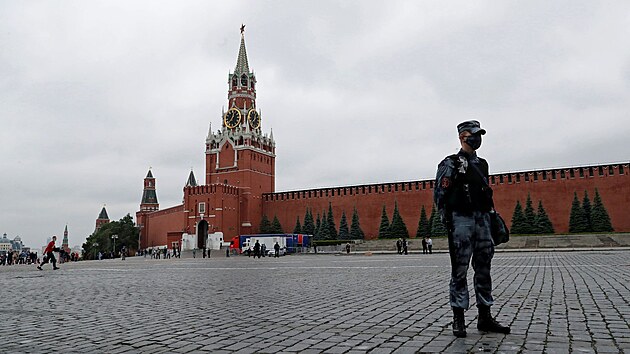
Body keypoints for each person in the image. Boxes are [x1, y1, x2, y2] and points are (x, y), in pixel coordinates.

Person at [434, 120, 510, 338]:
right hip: (461, 221)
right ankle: (458, 318)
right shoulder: (450, 163)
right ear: (462, 136)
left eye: (479, 134)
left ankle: (485, 317)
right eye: (473, 134)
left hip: (483, 219)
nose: (477, 138)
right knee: (459, 271)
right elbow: (440, 194)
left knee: (484, 269)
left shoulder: (482, 163)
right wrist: (447, 220)